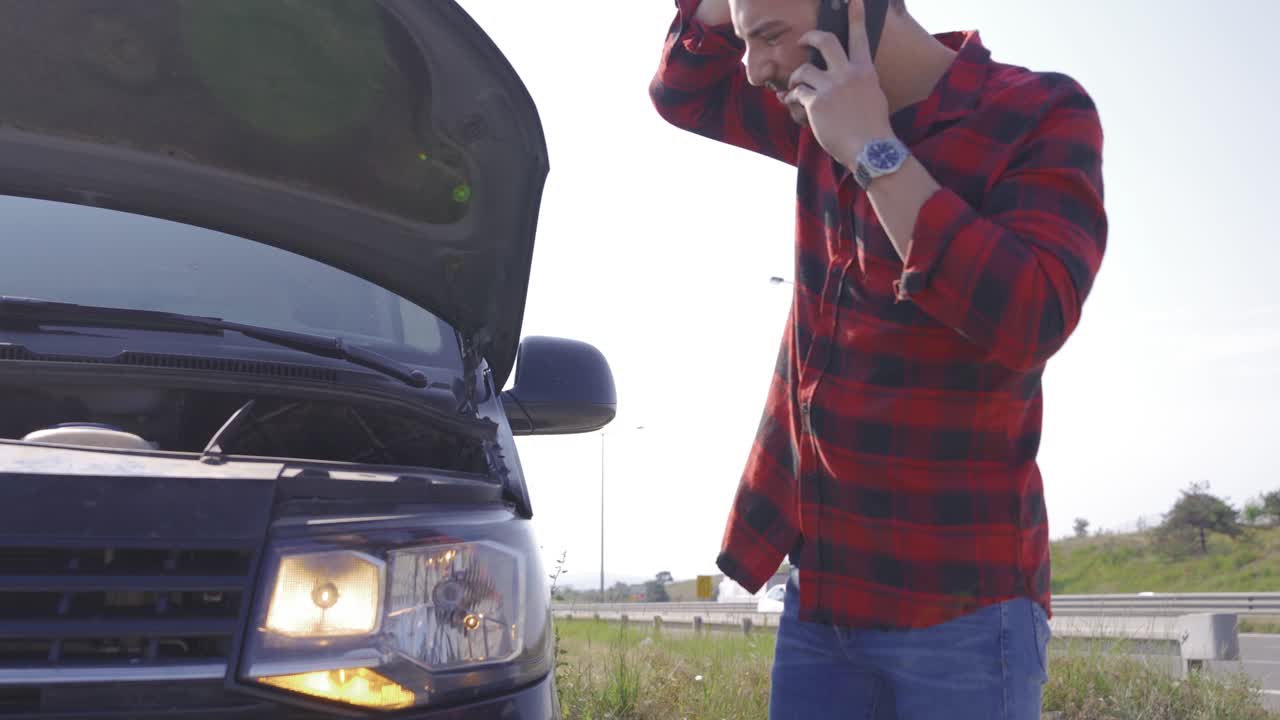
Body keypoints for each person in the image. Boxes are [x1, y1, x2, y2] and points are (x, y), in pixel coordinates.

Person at [649, 0, 1107, 717]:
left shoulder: (1036, 111)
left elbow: (1031, 316)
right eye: (745, 40)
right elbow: (683, 91)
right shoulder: (806, 108)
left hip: (965, 608)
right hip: (822, 595)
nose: (753, 66)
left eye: (767, 35)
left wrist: (872, 148)